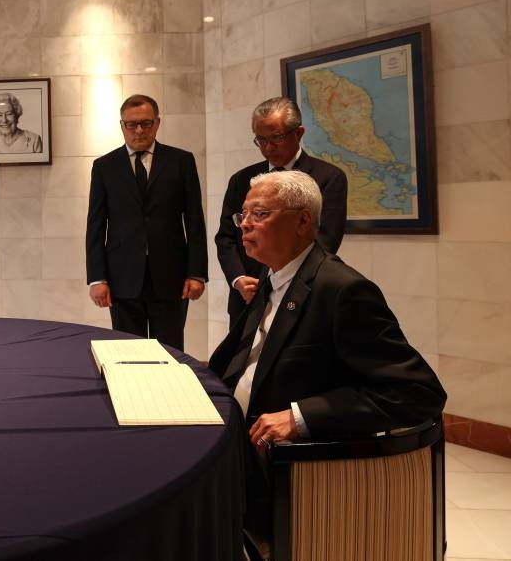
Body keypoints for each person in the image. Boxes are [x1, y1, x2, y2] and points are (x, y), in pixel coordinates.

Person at [207, 170, 445, 538]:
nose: (245, 226)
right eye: (243, 216)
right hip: (233, 444)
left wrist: (300, 417)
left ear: (303, 221)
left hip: (281, 473)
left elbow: (417, 393)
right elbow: (239, 360)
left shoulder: (343, 290)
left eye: (260, 214)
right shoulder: (273, 277)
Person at [85, 94, 208, 350]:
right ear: (122, 126)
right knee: (128, 351)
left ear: (157, 123)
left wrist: (196, 273)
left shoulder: (181, 162)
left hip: (171, 276)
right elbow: (96, 225)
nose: (138, 130)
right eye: (131, 124)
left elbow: (194, 220)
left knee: (170, 350)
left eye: (145, 123)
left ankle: (170, 392)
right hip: (122, 278)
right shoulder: (104, 166)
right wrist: (97, 278)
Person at [215, 96, 347, 326]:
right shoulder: (241, 179)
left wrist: (277, 281)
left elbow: (325, 240)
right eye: (261, 140)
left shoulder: (327, 177)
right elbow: (227, 236)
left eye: (276, 138)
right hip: (246, 295)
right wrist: (238, 279)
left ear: (299, 133)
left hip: (299, 294)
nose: (268, 148)